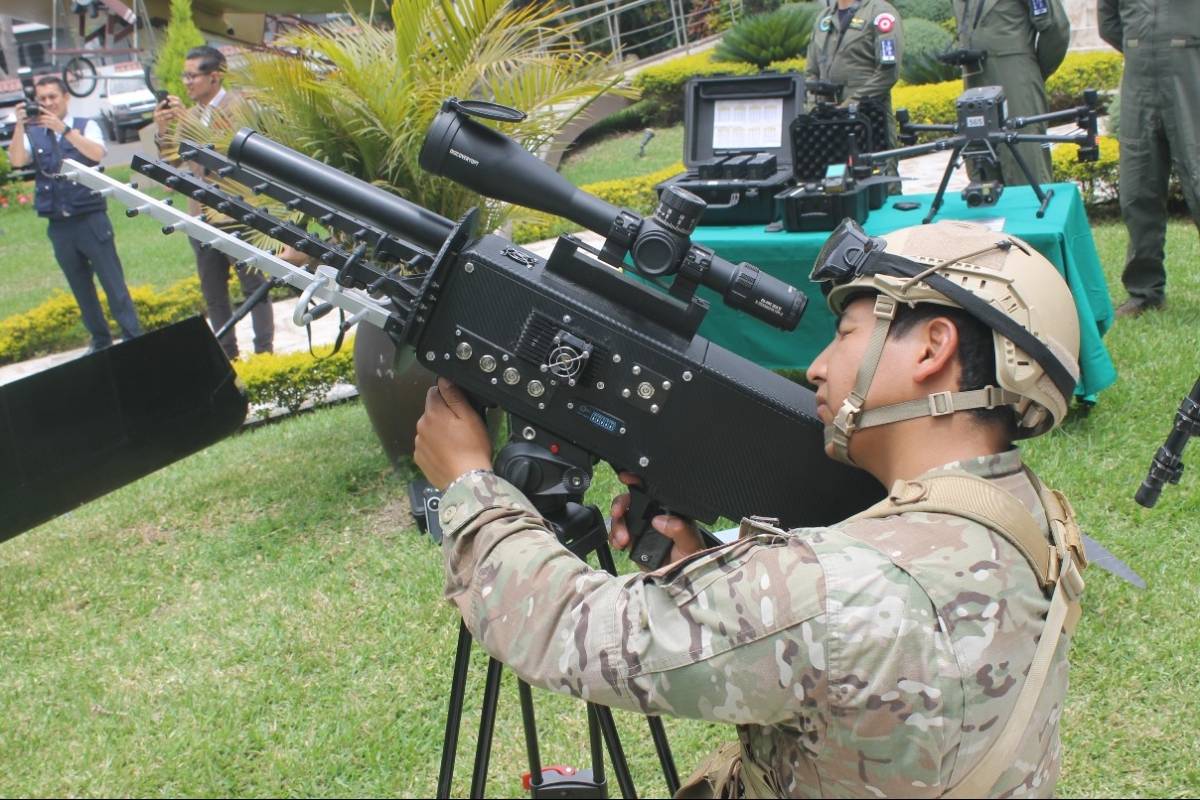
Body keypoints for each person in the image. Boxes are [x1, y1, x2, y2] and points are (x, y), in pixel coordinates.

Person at [413, 219, 1088, 797]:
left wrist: (470, 482)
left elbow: (570, 630)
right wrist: (715, 569)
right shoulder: (1026, 512)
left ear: (933, 348)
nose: (820, 367)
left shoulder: (827, 589)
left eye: (848, 333)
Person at [6, 75, 143, 354]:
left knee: (113, 284)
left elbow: (97, 153)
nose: (48, 103)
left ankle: (133, 337)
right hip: (59, 225)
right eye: (42, 99)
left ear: (65, 97)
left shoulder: (85, 125)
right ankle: (100, 341)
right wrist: (20, 126)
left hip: (90, 219)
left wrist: (64, 130)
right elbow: (17, 160)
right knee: (81, 288)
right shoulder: (33, 132)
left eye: (53, 97)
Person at [153, 44, 274, 358]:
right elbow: (171, 160)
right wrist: (164, 128)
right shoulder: (190, 114)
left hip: (238, 212)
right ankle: (228, 353)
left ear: (215, 77)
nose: (187, 81)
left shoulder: (240, 106)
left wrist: (189, 124)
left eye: (193, 75)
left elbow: (226, 155)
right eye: (185, 75)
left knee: (255, 290)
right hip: (201, 217)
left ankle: (265, 353)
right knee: (214, 295)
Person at [1099, 0, 1200, 317]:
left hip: (1191, 76)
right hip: (1139, 79)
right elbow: (1109, 22)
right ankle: (1144, 292)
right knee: (1137, 188)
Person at [949, 0, 1071, 187]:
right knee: (980, 161)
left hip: (1014, 76)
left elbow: (1055, 29)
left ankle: (1031, 213)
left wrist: (1032, 72)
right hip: (973, 78)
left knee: (1024, 159)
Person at [805, 0, 904, 184]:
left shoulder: (880, 13)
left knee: (882, 186)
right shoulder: (823, 18)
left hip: (870, 120)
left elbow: (888, 71)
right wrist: (814, 108)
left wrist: (850, 104)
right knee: (835, 188)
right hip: (827, 124)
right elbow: (811, 72)